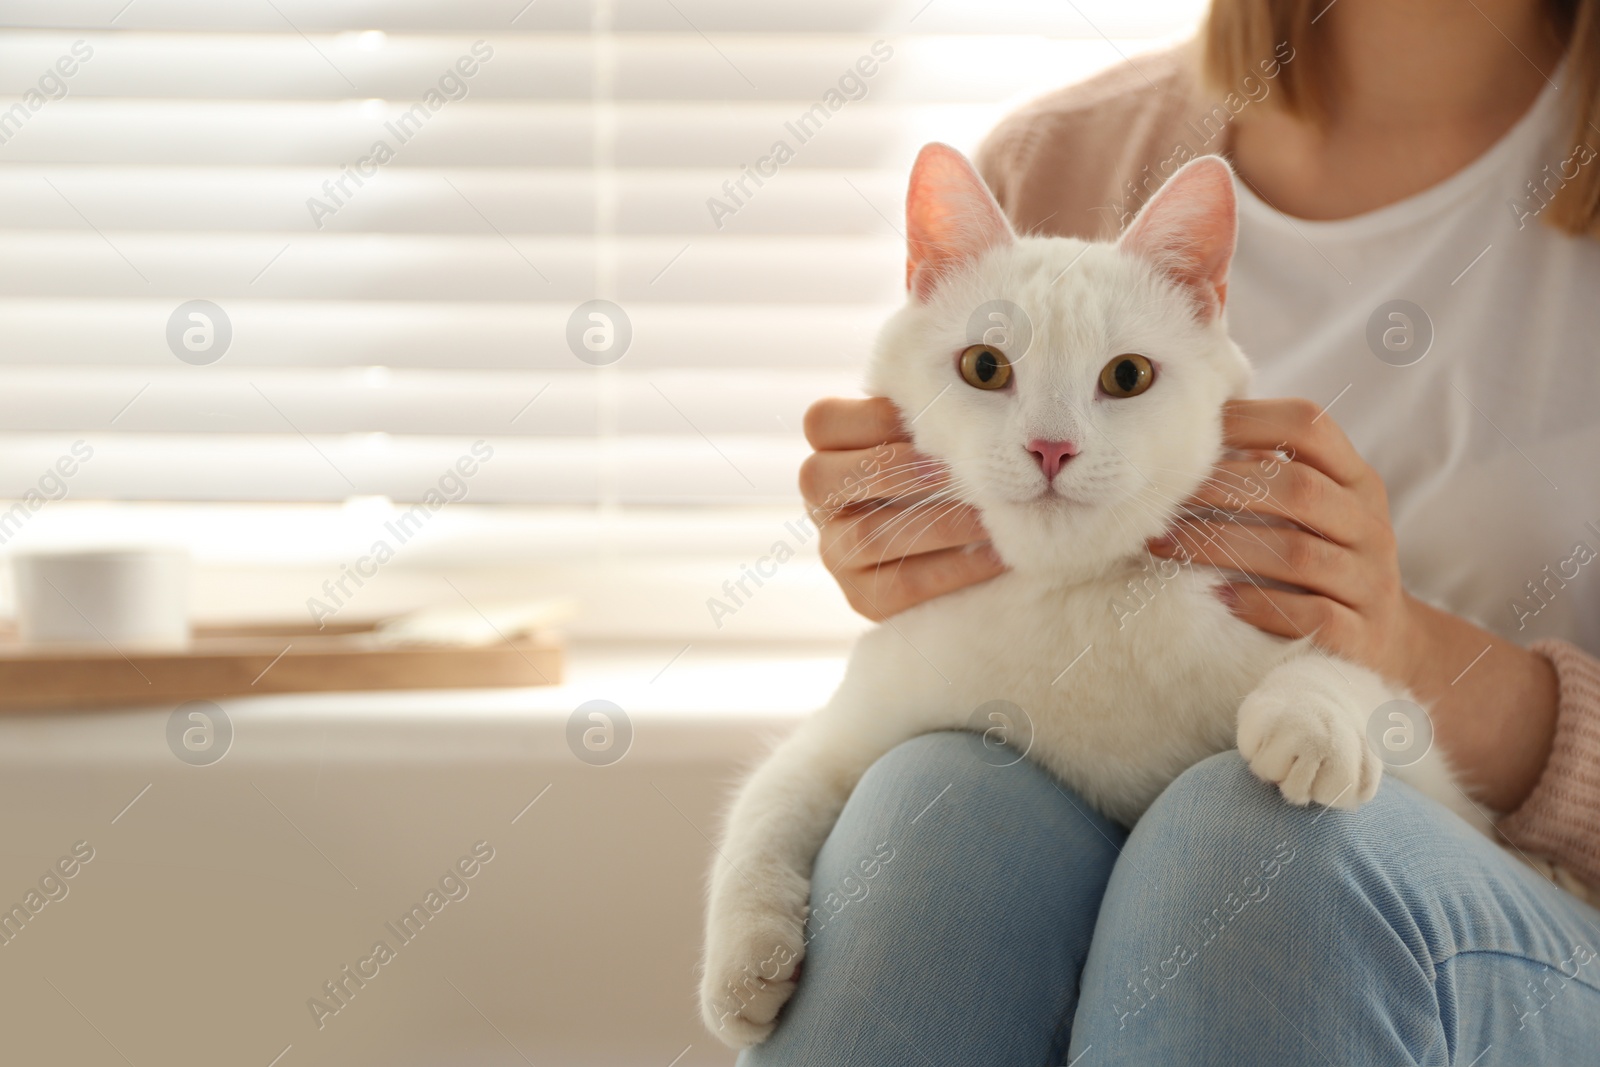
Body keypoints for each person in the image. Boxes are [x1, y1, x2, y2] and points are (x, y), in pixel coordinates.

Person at [746, 0, 1600, 1062]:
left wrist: (1397, 647)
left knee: (1262, 841)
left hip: (1550, 915)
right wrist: (909, 548)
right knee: (935, 808)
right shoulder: (1057, 159)